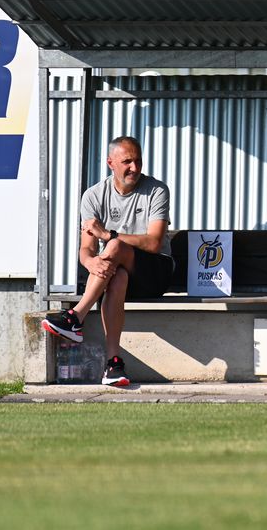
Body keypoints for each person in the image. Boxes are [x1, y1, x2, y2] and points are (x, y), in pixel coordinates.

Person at [41, 136, 176, 388]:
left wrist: (108, 235)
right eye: (127, 162)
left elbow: (154, 243)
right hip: (117, 272)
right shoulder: (93, 196)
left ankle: (76, 316)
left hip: (156, 272)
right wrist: (90, 262)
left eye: (138, 161)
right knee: (117, 277)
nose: (134, 168)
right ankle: (114, 363)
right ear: (110, 163)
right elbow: (86, 249)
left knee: (114, 246)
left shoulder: (157, 190)